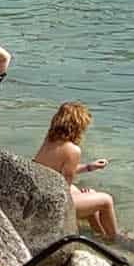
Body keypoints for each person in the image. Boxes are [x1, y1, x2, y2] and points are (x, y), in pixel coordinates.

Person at [34, 101, 118, 241]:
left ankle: (99, 233)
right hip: (56, 204)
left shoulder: (49, 140)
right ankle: (113, 239)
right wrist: (82, 195)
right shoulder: (73, 150)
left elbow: (58, 172)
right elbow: (64, 188)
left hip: (41, 194)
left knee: (88, 194)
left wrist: (89, 167)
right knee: (106, 200)